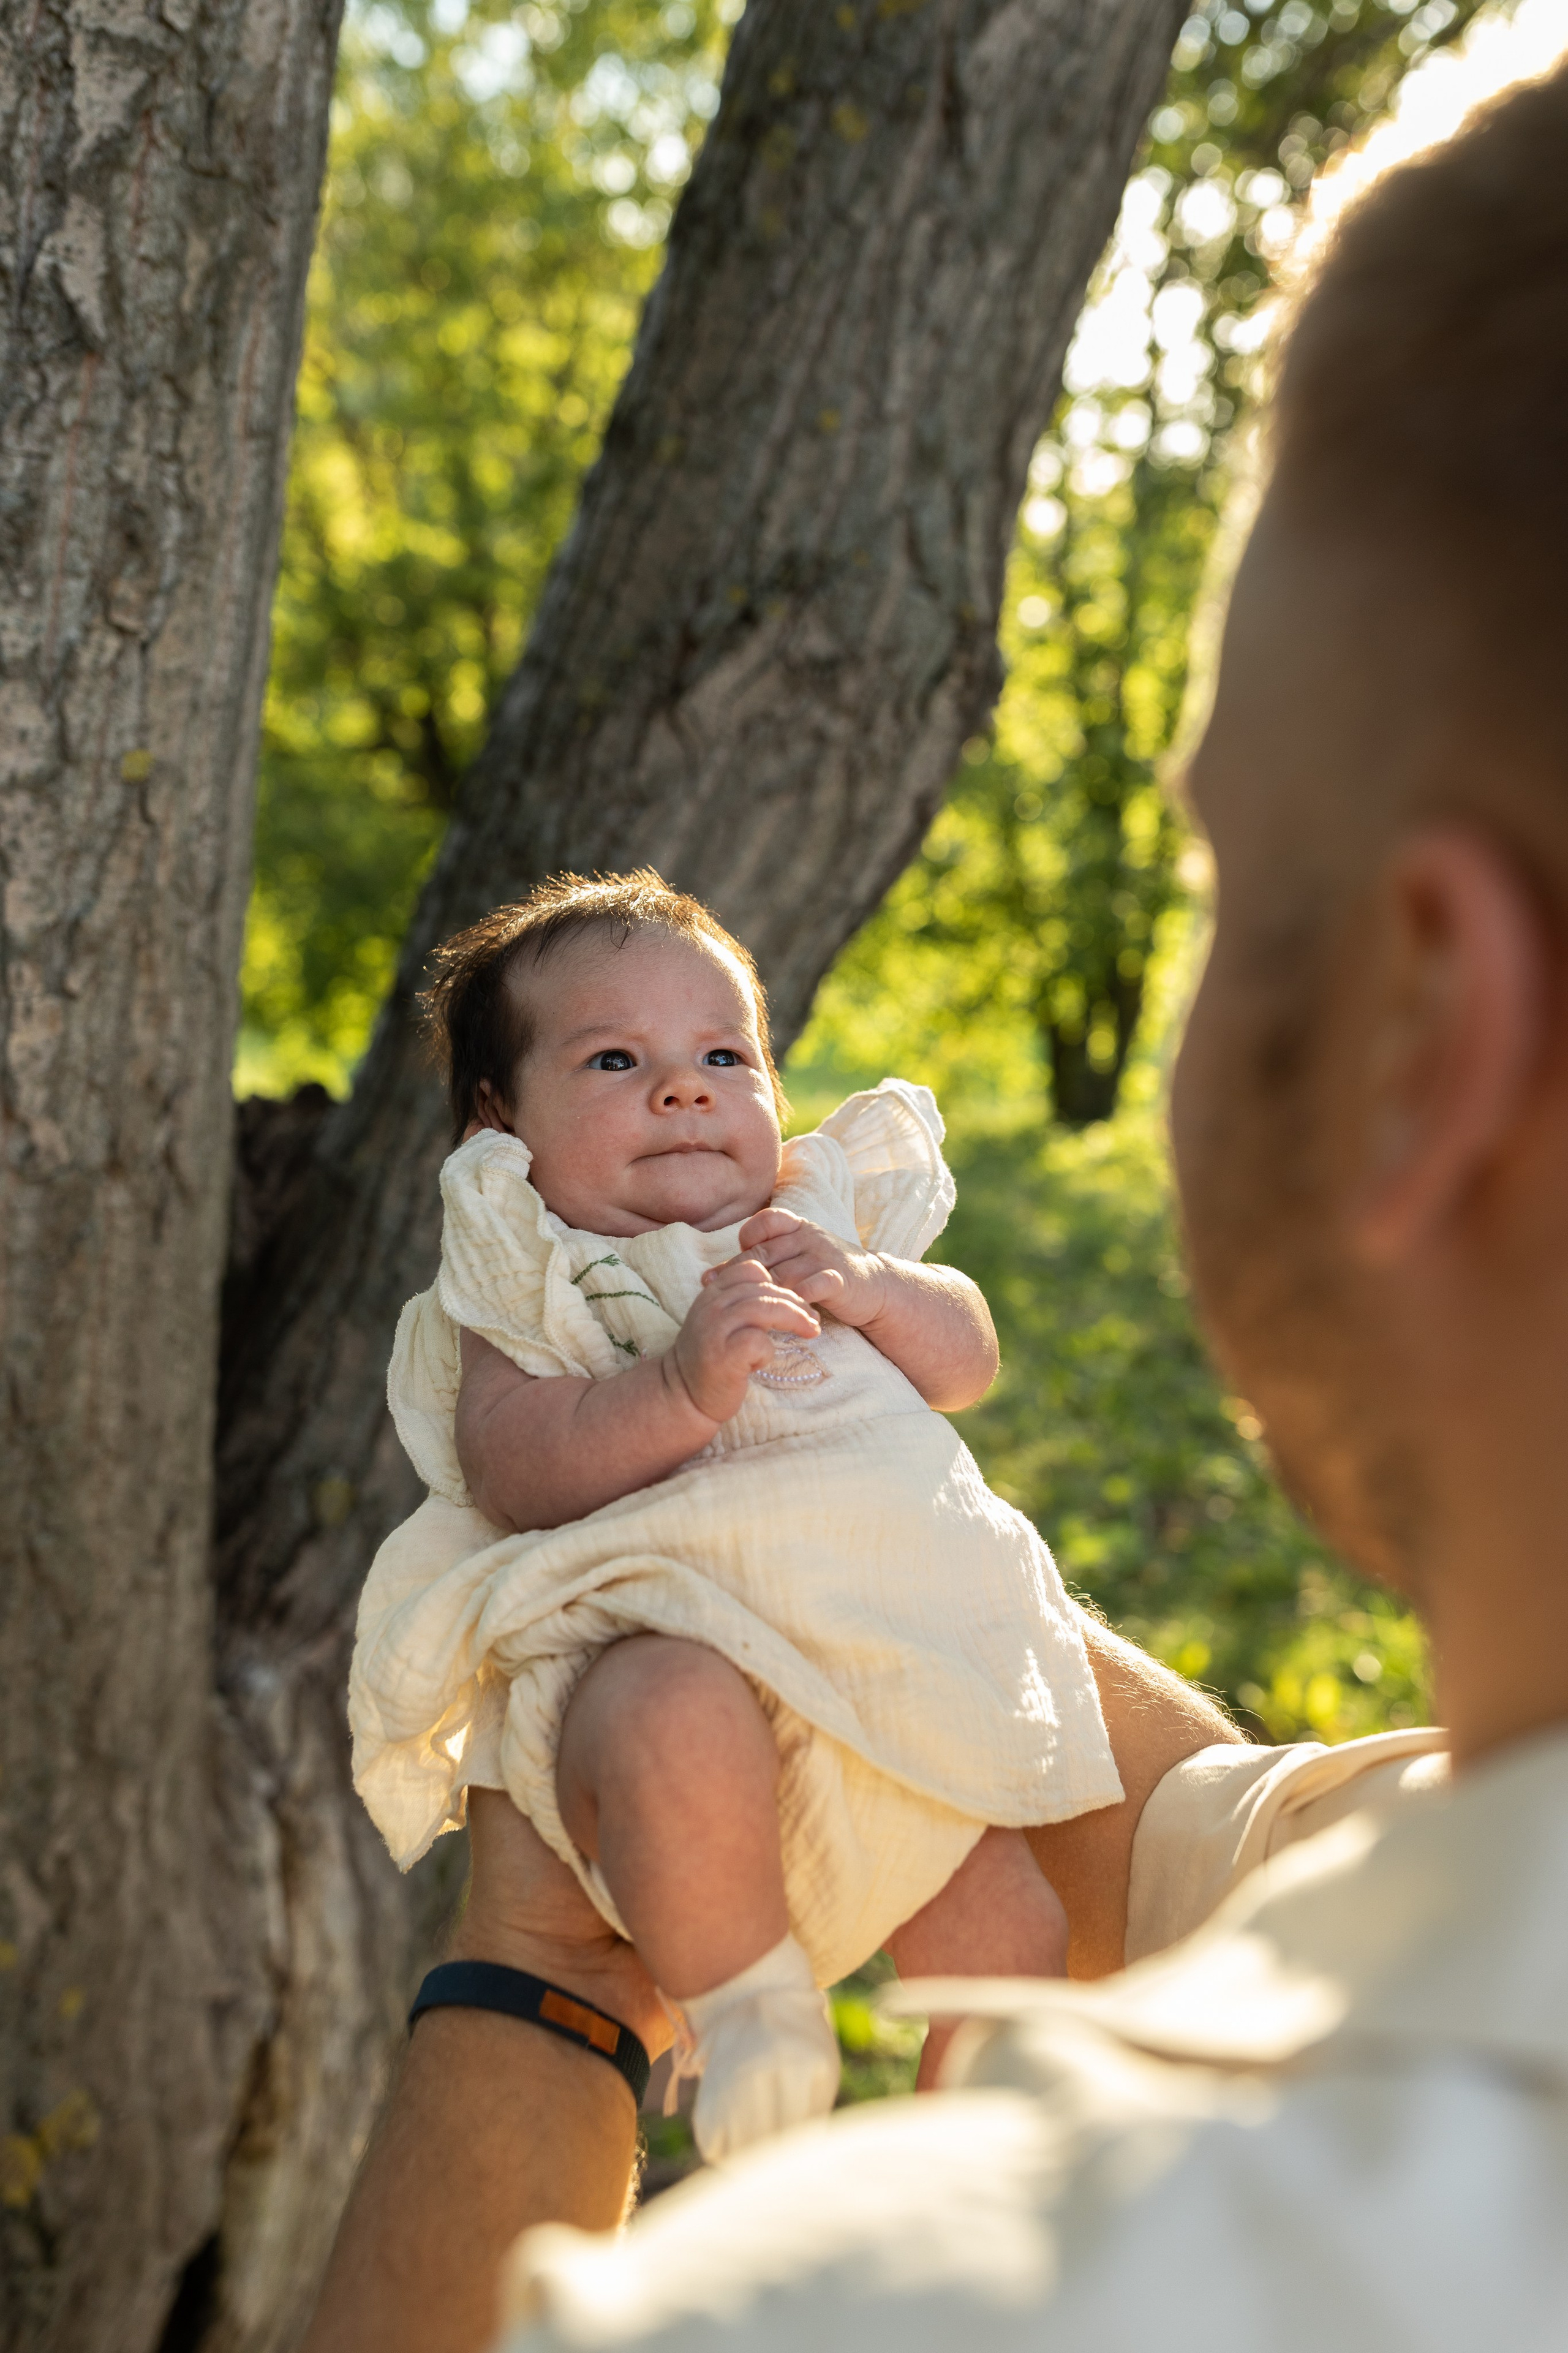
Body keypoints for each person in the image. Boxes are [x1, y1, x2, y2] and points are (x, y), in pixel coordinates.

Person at [307, 56, 1568, 2353]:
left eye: (1227, 861)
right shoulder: (1359, 1852)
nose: (694, 1098)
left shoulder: (882, 2310)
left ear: (1434, 1023)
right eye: (621, 1065)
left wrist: (544, 1973)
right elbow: (1172, 1807)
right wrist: (885, 1581)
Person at [349, 871, 1125, 2158]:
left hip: (896, 1661)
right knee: (668, 1714)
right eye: (615, 1059)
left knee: (1012, 1944)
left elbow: (967, 1359)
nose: (684, 1089)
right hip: (669, 1640)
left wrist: (874, 1286)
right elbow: (512, 1465)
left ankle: (971, 2177)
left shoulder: (814, 1212)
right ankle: (752, 2007)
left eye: (724, 1055)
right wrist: (673, 1389)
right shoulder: (535, 1264)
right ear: (499, 1117)